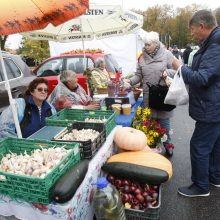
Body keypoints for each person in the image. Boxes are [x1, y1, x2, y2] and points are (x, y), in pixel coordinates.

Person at [172, 10, 220, 197]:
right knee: (215, 144)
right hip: (214, 104)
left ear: (202, 26)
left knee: (199, 146)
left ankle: (200, 186)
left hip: (212, 106)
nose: (192, 34)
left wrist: (181, 68)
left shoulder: (215, 45)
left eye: (193, 30)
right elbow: (206, 71)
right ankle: (215, 178)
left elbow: (201, 77)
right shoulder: (212, 43)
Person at [124, 31, 176, 157]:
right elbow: (138, 76)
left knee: (164, 122)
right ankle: (153, 147)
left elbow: (177, 70)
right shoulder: (141, 57)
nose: (146, 46)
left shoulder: (167, 54)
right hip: (149, 96)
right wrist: (129, 81)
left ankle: (168, 145)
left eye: (148, 44)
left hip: (163, 94)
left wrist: (167, 72)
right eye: (145, 44)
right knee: (151, 124)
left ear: (156, 43)